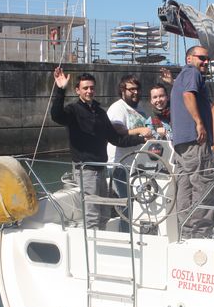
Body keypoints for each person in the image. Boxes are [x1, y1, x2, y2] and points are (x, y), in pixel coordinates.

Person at [50, 67, 148, 229]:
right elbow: (56, 116)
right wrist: (60, 90)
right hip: (86, 169)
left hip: (102, 169)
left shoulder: (100, 113)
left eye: (92, 88)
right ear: (77, 90)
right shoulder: (73, 111)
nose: (89, 91)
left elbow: (116, 139)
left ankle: (101, 247)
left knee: (104, 214)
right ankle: (92, 250)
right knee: (92, 214)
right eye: (85, 88)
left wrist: (141, 140)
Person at [170, 45, 214, 239]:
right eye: (201, 58)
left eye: (207, 59)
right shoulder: (193, 74)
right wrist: (199, 122)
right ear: (189, 59)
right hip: (195, 140)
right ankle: (200, 232)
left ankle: (187, 231)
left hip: (181, 142)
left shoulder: (181, 76)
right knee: (204, 184)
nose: (205, 62)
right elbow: (188, 95)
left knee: (185, 186)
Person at [107, 75, 153, 232]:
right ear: (122, 90)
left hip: (138, 166)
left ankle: (139, 234)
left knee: (139, 203)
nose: (136, 92)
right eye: (131, 89)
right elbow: (117, 131)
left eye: (138, 89)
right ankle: (126, 237)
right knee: (127, 204)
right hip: (120, 165)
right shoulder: (117, 108)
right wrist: (140, 132)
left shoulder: (141, 110)